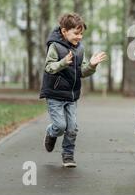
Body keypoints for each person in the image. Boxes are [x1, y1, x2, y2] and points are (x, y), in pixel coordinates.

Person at [39, 13, 107, 167]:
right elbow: (48, 67)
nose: (80, 37)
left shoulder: (80, 49)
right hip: (55, 94)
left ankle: (68, 155)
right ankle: (51, 133)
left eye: (81, 33)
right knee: (60, 126)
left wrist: (92, 65)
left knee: (72, 128)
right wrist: (63, 62)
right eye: (76, 33)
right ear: (64, 31)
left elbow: (82, 72)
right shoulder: (54, 46)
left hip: (71, 95)